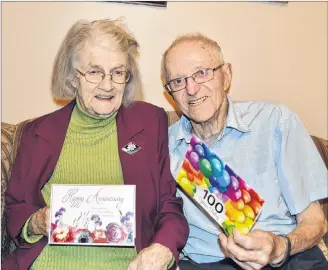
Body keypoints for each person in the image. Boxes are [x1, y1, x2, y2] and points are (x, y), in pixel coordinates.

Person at [3, 19, 189, 270]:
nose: (107, 84)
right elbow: (15, 207)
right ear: (72, 77)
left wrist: (163, 247)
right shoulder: (36, 133)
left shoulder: (150, 123)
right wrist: (37, 221)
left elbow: (169, 205)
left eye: (118, 72)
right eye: (94, 72)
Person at [162, 33, 328, 270]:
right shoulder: (165, 145)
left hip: (287, 257)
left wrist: (281, 247)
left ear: (226, 75)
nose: (191, 89)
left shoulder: (275, 121)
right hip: (208, 263)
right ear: (170, 94)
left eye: (201, 72)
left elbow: (316, 222)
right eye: (178, 81)